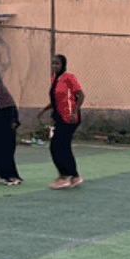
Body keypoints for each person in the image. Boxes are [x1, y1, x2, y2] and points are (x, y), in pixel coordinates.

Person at [37, 53, 84, 188]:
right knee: (60, 146)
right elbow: (56, 100)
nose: (55, 66)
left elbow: (81, 95)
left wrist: (74, 111)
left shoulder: (69, 77)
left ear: (63, 65)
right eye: (53, 63)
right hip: (59, 117)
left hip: (70, 118)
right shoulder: (54, 80)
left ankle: (65, 176)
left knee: (58, 146)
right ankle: (74, 176)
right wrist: (43, 110)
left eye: (57, 63)